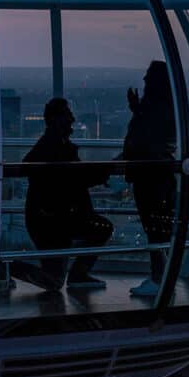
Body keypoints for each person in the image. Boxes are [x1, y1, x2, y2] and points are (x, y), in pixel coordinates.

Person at [11, 98, 113, 292]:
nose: (72, 119)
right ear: (57, 119)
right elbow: (75, 179)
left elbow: (71, 178)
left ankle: (7, 268)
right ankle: (77, 275)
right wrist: (104, 172)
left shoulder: (52, 144)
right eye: (67, 114)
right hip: (56, 221)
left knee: (54, 280)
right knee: (101, 228)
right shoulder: (56, 147)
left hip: (52, 220)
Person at [122, 60, 177, 297]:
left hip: (150, 177)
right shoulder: (163, 108)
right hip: (157, 176)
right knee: (158, 228)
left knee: (154, 228)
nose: (143, 81)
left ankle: (158, 279)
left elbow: (146, 138)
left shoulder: (155, 110)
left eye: (147, 77)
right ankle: (161, 278)